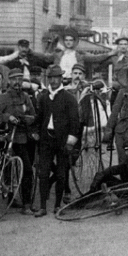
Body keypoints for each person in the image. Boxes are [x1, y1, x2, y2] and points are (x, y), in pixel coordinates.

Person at [0, 68, 37, 215]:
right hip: (9, 138)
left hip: (24, 137)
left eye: (20, 79)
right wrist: (7, 117)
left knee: (27, 170)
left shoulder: (26, 97)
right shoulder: (4, 97)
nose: (17, 82)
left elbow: (33, 115)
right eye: (14, 79)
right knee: (15, 169)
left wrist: (28, 119)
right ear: (9, 81)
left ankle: (25, 202)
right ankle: (17, 201)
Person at [34, 65, 80, 217]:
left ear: (61, 79)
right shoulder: (44, 97)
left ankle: (57, 205)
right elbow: (39, 118)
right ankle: (42, 207)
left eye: (56, 77)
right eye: (51, 78)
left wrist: (70, 142)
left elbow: (75, 122)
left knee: (61, 173)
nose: (53, 81)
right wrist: (35, 132)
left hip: (62, 140)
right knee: (43, 172)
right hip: (46, 140)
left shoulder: (69, 98)